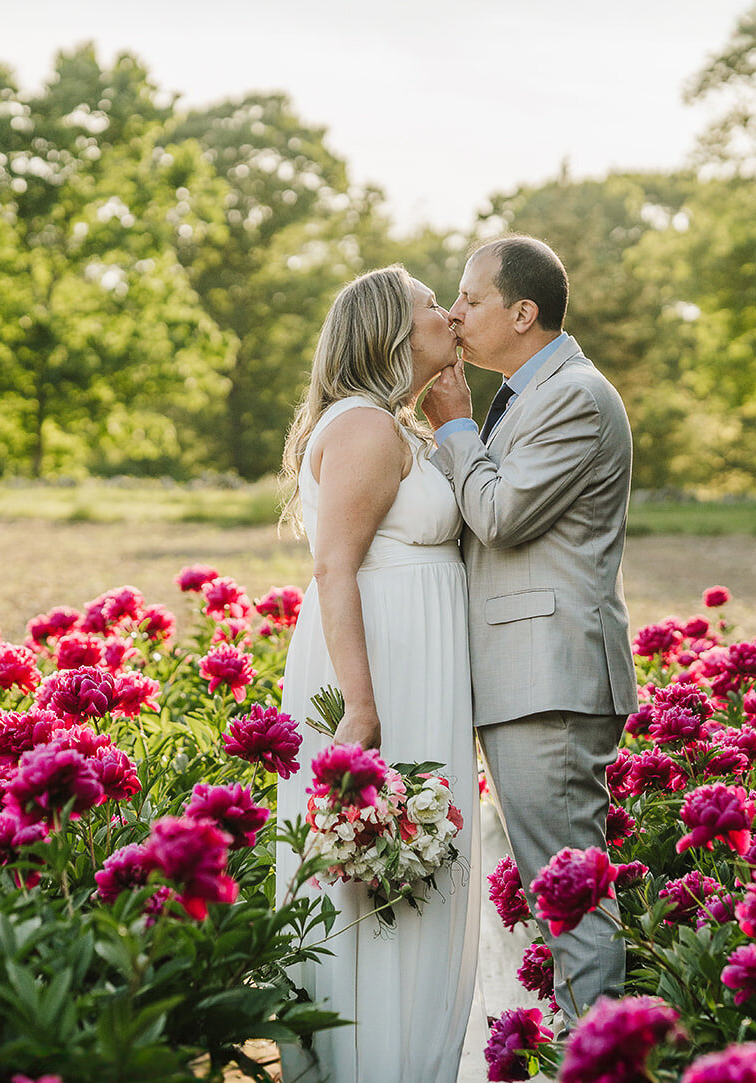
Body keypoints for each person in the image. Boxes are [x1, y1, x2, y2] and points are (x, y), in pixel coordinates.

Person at [422, 235, 638, 1021]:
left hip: (552, 678)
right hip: (526, 677)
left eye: (471, 299)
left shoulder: (574, 396)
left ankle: (599, 1060)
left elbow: (503, 516)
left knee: (571, 898)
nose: (454, 312)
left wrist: (454, 426)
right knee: (560, 891)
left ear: (523, 311)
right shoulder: (529, 390)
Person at [274, 266, 481, 1083]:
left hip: (418, 668)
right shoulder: (363, 427)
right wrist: (359, 706)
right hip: (379, 673)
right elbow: (334, 569)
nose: (450, 314)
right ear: (393, 330)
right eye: (433, 303)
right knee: (375, 879)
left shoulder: (399, 425)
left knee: (416, 868)